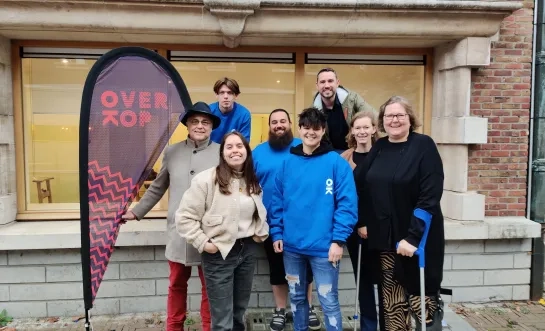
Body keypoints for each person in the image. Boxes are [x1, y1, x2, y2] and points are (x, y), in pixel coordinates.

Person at [121, 101, 221, 331]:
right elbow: (158, 186)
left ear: (211, 127)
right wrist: (136, 212)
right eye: (194, 121)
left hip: (210, 233)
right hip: (179, 233)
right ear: (187, 124)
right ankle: (174, 326)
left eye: (205, 122)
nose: (199, 126)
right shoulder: (172, 151)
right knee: (176, 284)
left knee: (211, 287)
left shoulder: (220, 152)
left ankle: (210, 327)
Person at [355, 96, 445, 331]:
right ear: (382, 121)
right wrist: (363, 220)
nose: (394, 120)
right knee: (392, 303)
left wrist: (413, 238)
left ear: (409, 118)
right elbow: (361, 183)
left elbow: (430, 195)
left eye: (399, 115)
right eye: (388, 116)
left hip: (416, 241)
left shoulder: (424, 145)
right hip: (386, 241)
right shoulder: (380, 147)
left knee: (419, 300)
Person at [269, 107, 358, 331]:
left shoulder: (336, 163)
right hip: (292, 248)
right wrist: (277, 233)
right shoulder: (287, 164)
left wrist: (339, 240)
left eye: (316, 128)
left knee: (328, 301)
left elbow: (347, 204)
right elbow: (276, 202)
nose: (311, 132)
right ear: (299, 129)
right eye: (306, 127)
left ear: (323, 130)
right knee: (297, 300)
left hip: (325, 248)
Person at [175, 131, 269, 331]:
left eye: (239, 146)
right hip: (219, 253)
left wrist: (260, 233)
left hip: (247, 250)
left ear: (246, 151)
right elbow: (184, 218)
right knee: (222, 318)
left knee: (238, 312)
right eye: (229, 147)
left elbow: (257, 212)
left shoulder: (251, 180)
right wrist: (204, 244)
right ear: (223, 153)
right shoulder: (206, 180)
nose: (235, 150)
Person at [253, 108, 321, 331]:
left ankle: (307, 307)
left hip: (302, 222)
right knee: (277, 269)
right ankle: (280, 310)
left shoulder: (305, 148)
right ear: (269, 126)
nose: (279, 125)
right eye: (274, 122)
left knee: (306, 269)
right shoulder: (258, 153)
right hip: (270, 223)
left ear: (291, 124)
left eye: (283, 121)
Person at [340, 111, 384, 331]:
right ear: (352, 131)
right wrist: (358, 224)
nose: (362, 132)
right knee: (364, 279)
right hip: (354, 229)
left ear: (374, 129)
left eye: (366, 127)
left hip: (383, 227)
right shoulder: (344, 158)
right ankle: (369, 325)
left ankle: (389, 323)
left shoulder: (383, 154)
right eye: (357, 128)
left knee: (386, 278)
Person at [311, 67, 376, 152]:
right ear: (317, 85)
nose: (326, 85)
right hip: (330, 154)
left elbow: (374, 117)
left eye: (330, 81)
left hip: (356, 150)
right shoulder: (313, 110)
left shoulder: (352, 99)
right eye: (322, 82)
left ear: (337, 83)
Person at [209, 77, 252, 143]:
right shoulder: (209, 111)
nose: (225, 96)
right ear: (216, 95)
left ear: (236, 96)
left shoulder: (244, 114)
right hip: (210, 151)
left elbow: (244, 144)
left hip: (233, 151)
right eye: (222, 92)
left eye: (230, 93)